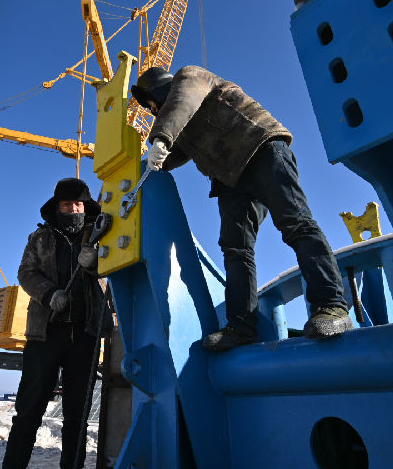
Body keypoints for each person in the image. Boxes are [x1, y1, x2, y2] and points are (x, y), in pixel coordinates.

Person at [131, 66, 351, 351]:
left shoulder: (190, 77)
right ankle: (241, 327)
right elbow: (170, 156)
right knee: (235, 249)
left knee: (296, 223)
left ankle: (332, 307)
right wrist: (142, 167)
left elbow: (181, 103)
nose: (152, 110)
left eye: (151, 102)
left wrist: (160, 136)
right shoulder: (179, 124)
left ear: (160, 89)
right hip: (230, 177)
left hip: (261, 149)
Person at [2, 177, 112, 469]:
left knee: (77, 416)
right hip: (45, 334)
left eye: (78, 203)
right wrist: (49, 294)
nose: (73, 208)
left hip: (85, 335)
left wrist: (97, 265)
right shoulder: (39, 238)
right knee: (28, 412)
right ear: (58, 206)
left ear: (85, 205)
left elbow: (116, 269)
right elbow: (25, 273)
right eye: (67, 204)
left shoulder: (101, 235)